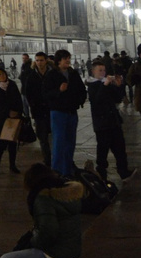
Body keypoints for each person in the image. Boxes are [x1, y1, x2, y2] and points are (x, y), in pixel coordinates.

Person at [0, 163, 83, 258]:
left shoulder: (43, 199)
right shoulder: (67, 193)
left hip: (56, 257)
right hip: (73, 253)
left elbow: (47, 233)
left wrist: (31, 242)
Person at [87, 58, 134, 182]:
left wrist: (119, 85)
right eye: (100, 70)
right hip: (102, 124)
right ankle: (101, 174)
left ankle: (123, 172)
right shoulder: (92, 85)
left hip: (113, 121)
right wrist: (105, 85)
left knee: (120, 148)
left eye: (104, 70)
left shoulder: (106, 83)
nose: (103, 73)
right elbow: (97, 101)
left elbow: (117, 98)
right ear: (93, 72)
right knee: (103, 150)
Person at [43, 49, 86, 177]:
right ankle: (57, 172)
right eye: (65, 58)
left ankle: (67, 170)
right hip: (58, 113)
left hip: (72, 112)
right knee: (58, 142)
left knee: (70, 143)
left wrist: (80, 100)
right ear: (58, 61)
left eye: (68, 58)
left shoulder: (73, 74)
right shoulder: (51, 75)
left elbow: (82, 89)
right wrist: (58, 91)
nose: (68, 60)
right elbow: (45, 94)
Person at [0, 67, 23, 174]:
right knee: (1, 142)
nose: (2, 76)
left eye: (3, 74)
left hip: (14, 118)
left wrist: (17, 112)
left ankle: (12, 165)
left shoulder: (12, 84)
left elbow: (18, 99)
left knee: (12, 142)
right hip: (2, 119)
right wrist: (7, 111)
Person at [24, 52, 52, 166]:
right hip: (39, 111)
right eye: (37, 60)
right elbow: (28, 93)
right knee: (42, 137)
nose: (39, 62)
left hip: (52, 110)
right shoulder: (31, 76)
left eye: (41, 60)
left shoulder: (52, 74)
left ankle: (55, 157)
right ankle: (47, 159)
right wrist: (33, 106)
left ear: (46, 61)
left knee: (53, 136)